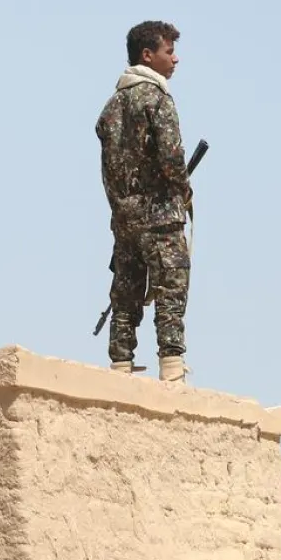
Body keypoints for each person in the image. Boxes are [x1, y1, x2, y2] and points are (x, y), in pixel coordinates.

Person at [95, 20, 192, 382]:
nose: (176, 59)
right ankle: (172, 368)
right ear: (147, 55)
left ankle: (120, 365)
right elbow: (171, 156)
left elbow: (108, 167)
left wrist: (121, 206)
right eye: (169, 52)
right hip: (160, 215)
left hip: (124, 217)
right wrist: (182, 189)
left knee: (126, 290)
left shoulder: (112, 105)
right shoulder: (156, 98)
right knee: (171, 284)